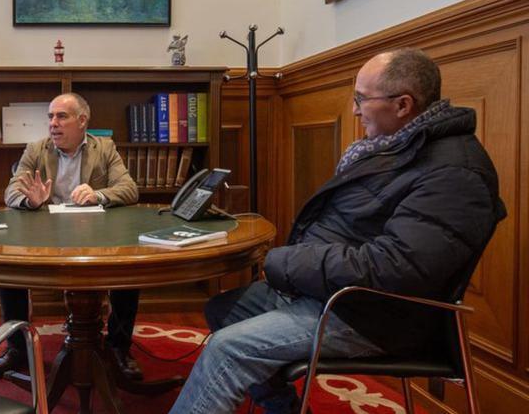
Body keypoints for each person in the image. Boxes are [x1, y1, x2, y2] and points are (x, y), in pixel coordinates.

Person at [168, 48, 506, 414]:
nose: (355, 110)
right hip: (334, 292)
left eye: (362, 99)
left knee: (227, 347)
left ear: (404, 105)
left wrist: (289, 262)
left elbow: (396, 269)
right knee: (225, 308)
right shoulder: (397, 148)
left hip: (372, 315)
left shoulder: (454, 174)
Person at [0, 92, 142, 381]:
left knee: (128, 270)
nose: (53, 124)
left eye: (62, 116)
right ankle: (16, 348)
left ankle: (119, 347)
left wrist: (98, 194)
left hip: (95, 236)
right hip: (45, 237)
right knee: (9, 269)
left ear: (82, 121)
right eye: (50, 117)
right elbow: (11, 191)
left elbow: (130, 189)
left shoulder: (104, 148)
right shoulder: (36, 149)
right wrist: (30, 201)